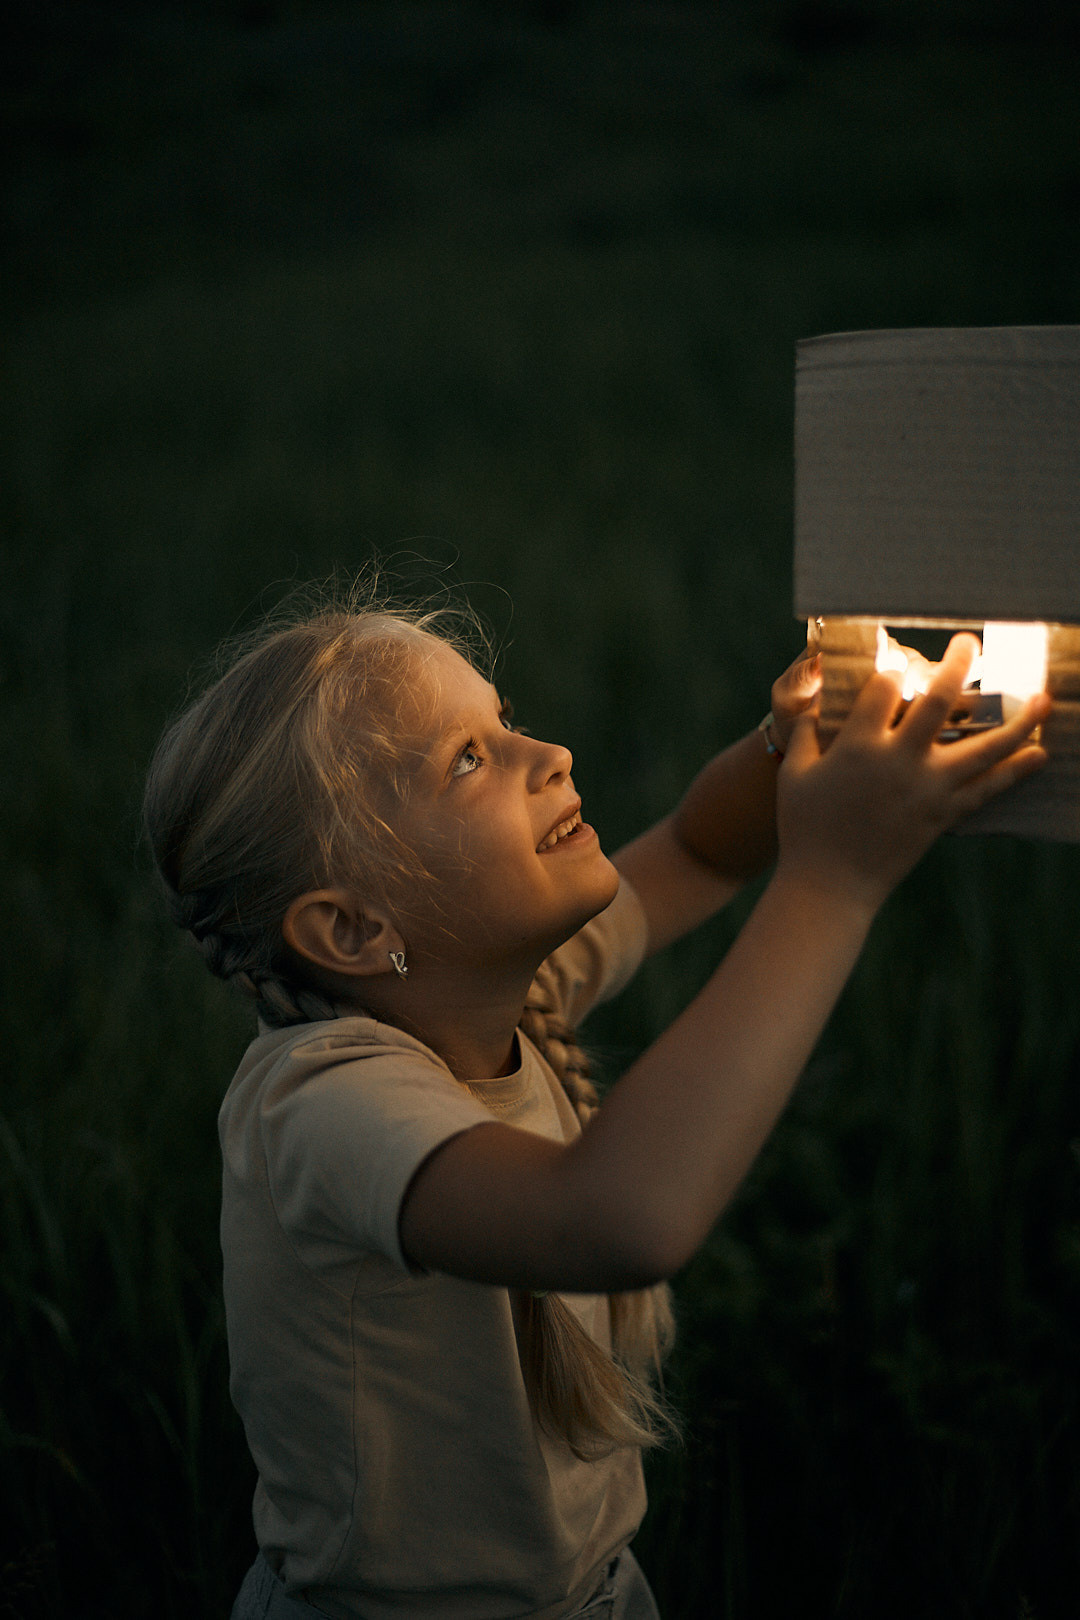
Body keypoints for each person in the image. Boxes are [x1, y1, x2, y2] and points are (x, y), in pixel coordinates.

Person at [143, 587, 1049, 1620]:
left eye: (506, 721)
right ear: (352, 930)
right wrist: (835, 879)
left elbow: (701, 854)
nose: (553, 754)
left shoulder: (503, 996)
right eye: (470, 760)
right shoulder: (316, 1108)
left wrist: (790, 740)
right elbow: (617, 1217)